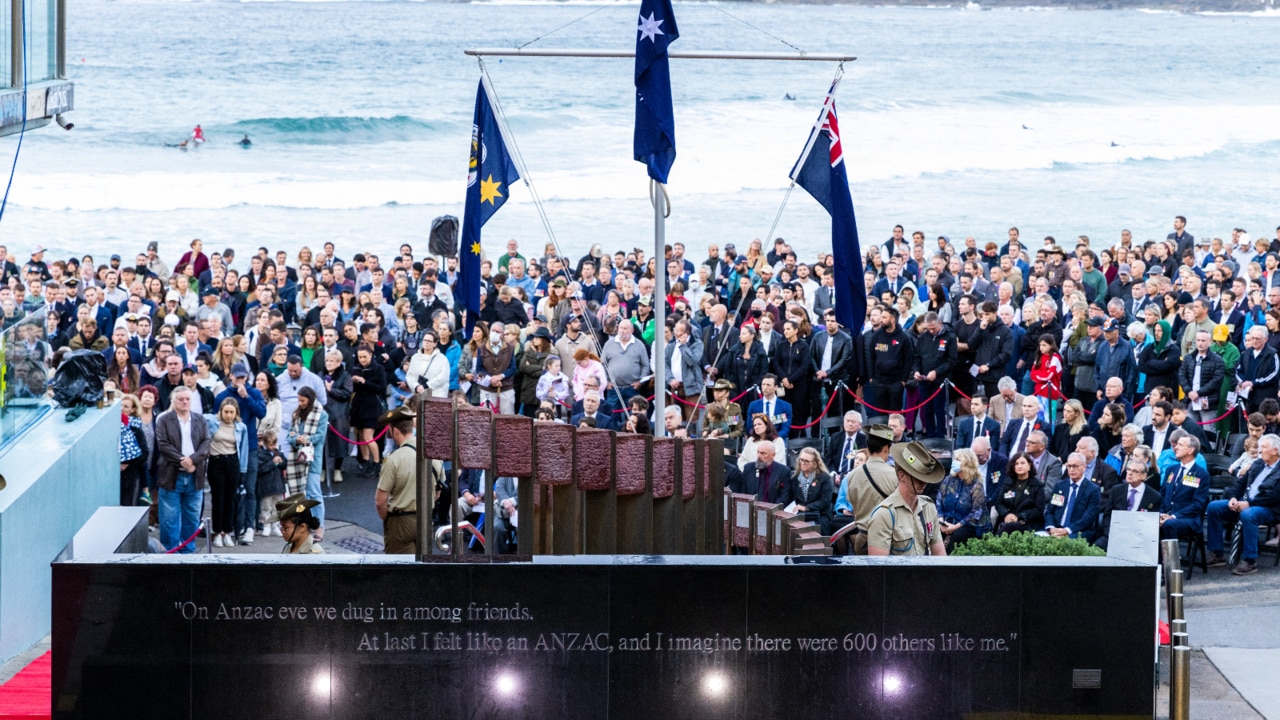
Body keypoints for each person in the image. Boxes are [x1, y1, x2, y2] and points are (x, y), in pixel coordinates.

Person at [1206, 433, 1280, 575]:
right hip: (1245, 502)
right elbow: (1240, 484)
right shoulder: (1258, 464)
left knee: (1248, 514)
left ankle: (1250, 560)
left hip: (1269, 509)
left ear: (1275, 451)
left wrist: (1249, 503)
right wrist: (1234, 497)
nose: (1259, 451)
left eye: (1263, 448)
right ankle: (1217, 553)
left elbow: (1274, 496)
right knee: (1214, 507)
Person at [866, 440, 947, 556]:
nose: (924, 482)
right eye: (918, 478)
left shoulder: (928, 508)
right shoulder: (884, 514)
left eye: (925, 477)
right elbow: (878, 569)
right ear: (902, 476)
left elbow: (940, 556)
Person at [155, 386, 211, 553]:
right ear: (174, 401)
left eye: (187, 399)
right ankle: (170, 553)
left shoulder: (200, 420)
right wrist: (183, 461)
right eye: (181, 399)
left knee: (192, 517)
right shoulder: (164, 420)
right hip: (172, 474)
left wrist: (193, 460)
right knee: (169, 519)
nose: (185, 402)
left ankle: (188, 553)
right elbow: (163, 445)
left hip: (194, 475)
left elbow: (206, 443)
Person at [375, 405, 424, 555]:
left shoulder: (393, 459)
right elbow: (437, 493)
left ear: (395, 431)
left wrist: (388, 520)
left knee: (399, 571)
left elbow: (380, 501)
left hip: (400, 521)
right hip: (425, 519)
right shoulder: (429, 452)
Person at [203, 398, 249, 549]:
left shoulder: (241, 427)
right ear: (221, 411)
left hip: (233, 462)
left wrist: (243, 470)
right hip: (216, 461)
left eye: (231, 412)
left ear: (236, 413)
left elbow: (244, 449)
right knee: (218, 498)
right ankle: (217, 531)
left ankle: (227, 532)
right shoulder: (212, 422)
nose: (228, 415)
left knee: (231, 499)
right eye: (226, 412)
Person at [1095, 460, 1162, 551]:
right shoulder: (1117, 490)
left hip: (1138, 538)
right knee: (1096, 547)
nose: (1130, 473)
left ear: (1144, 476)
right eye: (1128, 470)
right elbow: (1107, 515)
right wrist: (1110, 533)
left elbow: (1150, 524)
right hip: (1115, 533)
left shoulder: (1154, 496)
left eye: (1134, 471)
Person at [935, 448, 989, 552]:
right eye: (954, 459)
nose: (954, 462)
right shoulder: (949, 480)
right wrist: (941, 520)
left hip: (969, 525)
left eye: (958, 459)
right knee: (934, 534)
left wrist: (955, 527)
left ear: (968, 463)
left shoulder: (976, 485)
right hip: (947, 522)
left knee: (957, 536)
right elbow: (939, 501)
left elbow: (976, 513)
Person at [1158, 435, 1211, 542]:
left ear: (1190, 450)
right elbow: (1162, 494)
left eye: (1180, 445)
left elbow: (1197, 504)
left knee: (1169, 524)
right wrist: (1161, 514)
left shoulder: (1201, 474)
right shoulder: (1171, 470)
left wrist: (1173, 516)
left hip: (1187, 518)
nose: (1176, 447)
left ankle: (1171, 558)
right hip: (1167, 515)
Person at [1043, 452, 1103, 542]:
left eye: (1075, 466)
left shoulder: (1093, 490)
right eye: (1069, 466)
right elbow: (1050, 511)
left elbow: (1088, 517)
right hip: (1057, 529)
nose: (1071, 469)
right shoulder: (1060, 486)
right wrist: (1051, 527)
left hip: (1078, 531)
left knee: (1064, 543)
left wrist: (1067, 530)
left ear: (1084, 467)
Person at [993, 452, 1047, 535]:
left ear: (1029, 465)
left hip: (1027, 523)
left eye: (1022, 463)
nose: (1019, 466)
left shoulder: (1037, 485)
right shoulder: (1007, 483)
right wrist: (1007, 514)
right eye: (1016, 464)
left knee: (1009, 527)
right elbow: (999, 503)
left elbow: (1038, 510)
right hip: (1006, 520)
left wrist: (1018, 516)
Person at [730, 440, 791, 506]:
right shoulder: (749, 468)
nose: (758, 456)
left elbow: (784, 498)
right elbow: (743, 493)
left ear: (773, 455)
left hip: (772, 512)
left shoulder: (783, 471)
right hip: (750, 510)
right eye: (758, 452)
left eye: (763, 453)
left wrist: (770, 510)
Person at [790, 447, 834, 535]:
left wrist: (806, 507)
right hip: (800, 515)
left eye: (806, 461)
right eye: (801, 460)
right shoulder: (795, 479)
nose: (803, 463)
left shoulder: (825, 478)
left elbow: (825, 501)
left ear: (815, 464)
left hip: (819, 515)